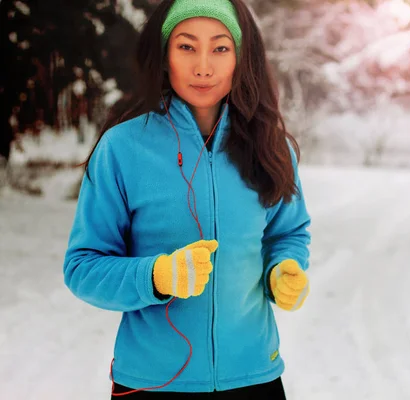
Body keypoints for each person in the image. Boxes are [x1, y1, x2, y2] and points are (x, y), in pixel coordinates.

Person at [62, 0, 312, 399]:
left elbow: (288, 233)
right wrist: (156, 276)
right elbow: (83, 267)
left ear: (241, 57)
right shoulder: (123, 149)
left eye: (220, 48)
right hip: (152, 383)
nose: (203, 67)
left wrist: (283, 268)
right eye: (186, 46)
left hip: (254, 377)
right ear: (164, 56)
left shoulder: (272, 147)